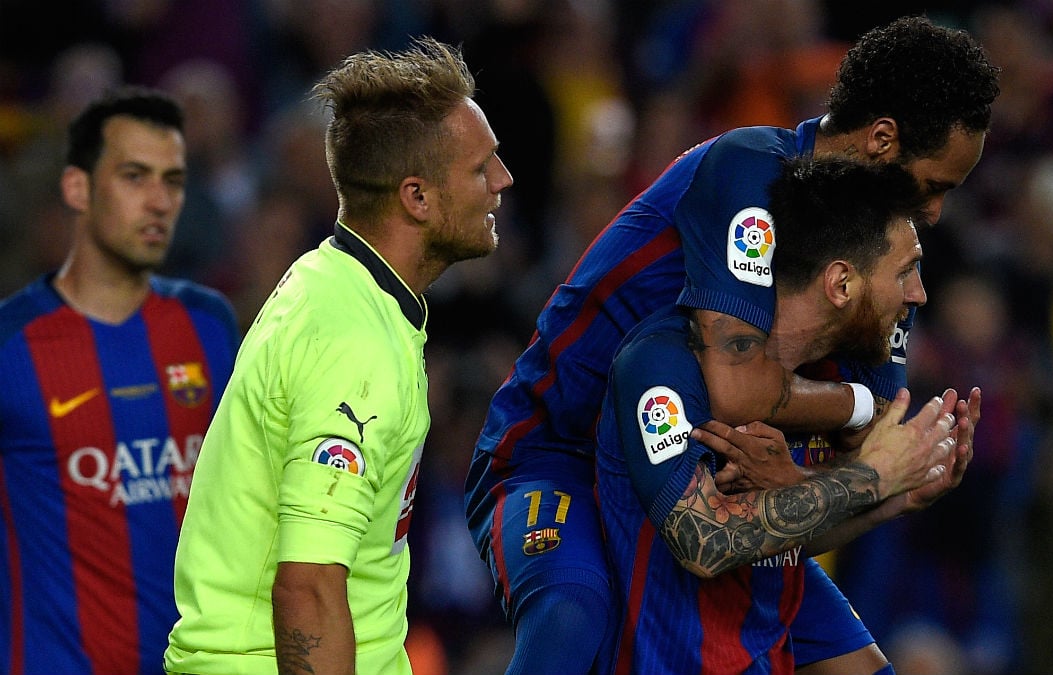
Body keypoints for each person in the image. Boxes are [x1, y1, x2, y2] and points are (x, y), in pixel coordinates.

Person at [464, 15, 996, 674]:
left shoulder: (885, 274)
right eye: (935, 185)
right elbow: (742, 389)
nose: (936, 213)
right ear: (883, 140)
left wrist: (899, 484)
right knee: (574, 612)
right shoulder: (751, 173)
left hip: (699, 484)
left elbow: (849, 473)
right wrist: (862, 420)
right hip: (558, 453)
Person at [164, 38, 512, 674]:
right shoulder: (355, 344)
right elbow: (308, 587)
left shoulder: (335, 282)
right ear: (418, 197)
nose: (503, 181)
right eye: (481, 168)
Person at [597, 155, 962, 674]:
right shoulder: (665, 364)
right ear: (841, 284)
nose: (918, 294)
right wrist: (872, 477)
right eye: (905, 272)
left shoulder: (826, 380)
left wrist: (891, 498)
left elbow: (780, 540)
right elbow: (707, 541)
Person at [0, 87, 239, 674]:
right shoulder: (11, 345)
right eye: (135, 176)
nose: (159, 201)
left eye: (173, 180)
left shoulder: (209, 326)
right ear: (77, 187)